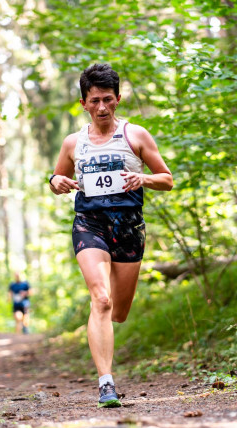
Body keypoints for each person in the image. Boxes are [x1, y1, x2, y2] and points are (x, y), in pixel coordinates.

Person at [48, 64, 173, 408]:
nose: (101, 107)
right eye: (94, 101)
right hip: (89, 224)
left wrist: (144, 179)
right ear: (83, 104)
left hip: (129, 227)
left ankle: (107, 333)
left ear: (118, 99)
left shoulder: (136, 135)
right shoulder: (73, 142)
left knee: (118, 311)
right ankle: (106, 383)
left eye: (107, 99)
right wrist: (55, 181)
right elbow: (57, 180)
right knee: (101, 299)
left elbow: (167, 179)